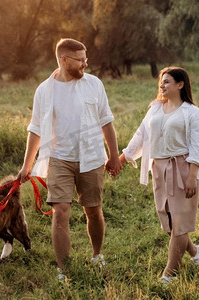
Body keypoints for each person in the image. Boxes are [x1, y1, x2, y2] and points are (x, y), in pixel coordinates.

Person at [17, 38, 121, 280]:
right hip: (58, 158)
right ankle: (63, 269)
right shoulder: (44, 90)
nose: (85, 63)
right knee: (61, 210)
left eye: (86, 58)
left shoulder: (94, 84)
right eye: (80, 59)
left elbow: (107, 121)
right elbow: (35, 129)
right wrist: (27, 165)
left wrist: (114, 156)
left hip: (91, 157)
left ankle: (97, 256)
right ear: (64, 60)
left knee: (93, 211)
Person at [118, 66, 199, 284]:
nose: (162, 85)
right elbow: (141, 134)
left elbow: (197, 145)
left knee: (179, 221)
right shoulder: (155, 108)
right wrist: (122, 158)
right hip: (158, 168)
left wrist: (192, 175)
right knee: (167, 220)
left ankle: (169, 274)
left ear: (180, 84)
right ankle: (195, 252)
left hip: (182, 168)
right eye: (161, 81)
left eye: (167, 81)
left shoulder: (192, 112)